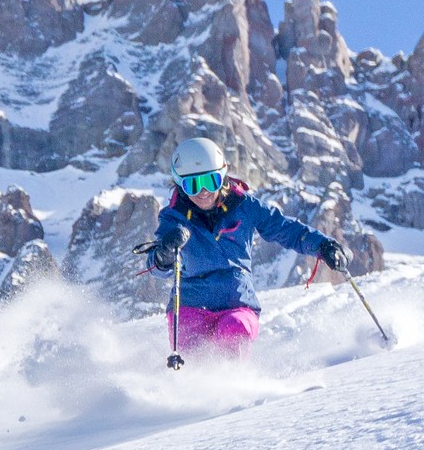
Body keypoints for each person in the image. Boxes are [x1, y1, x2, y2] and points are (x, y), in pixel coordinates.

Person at [147, 137, 349, 355]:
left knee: (234, 330)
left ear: (222, 177)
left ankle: (236, 385)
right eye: (193, 185)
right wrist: (164, 254)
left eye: (211, 181)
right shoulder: (173, 218)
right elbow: (157, 268)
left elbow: (283, 228)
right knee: (193, 351)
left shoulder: (243, 206)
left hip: (237, 303)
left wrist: (323, 245)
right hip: (190, 305)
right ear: (180, 185)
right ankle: (190, 386)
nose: (203, 191)